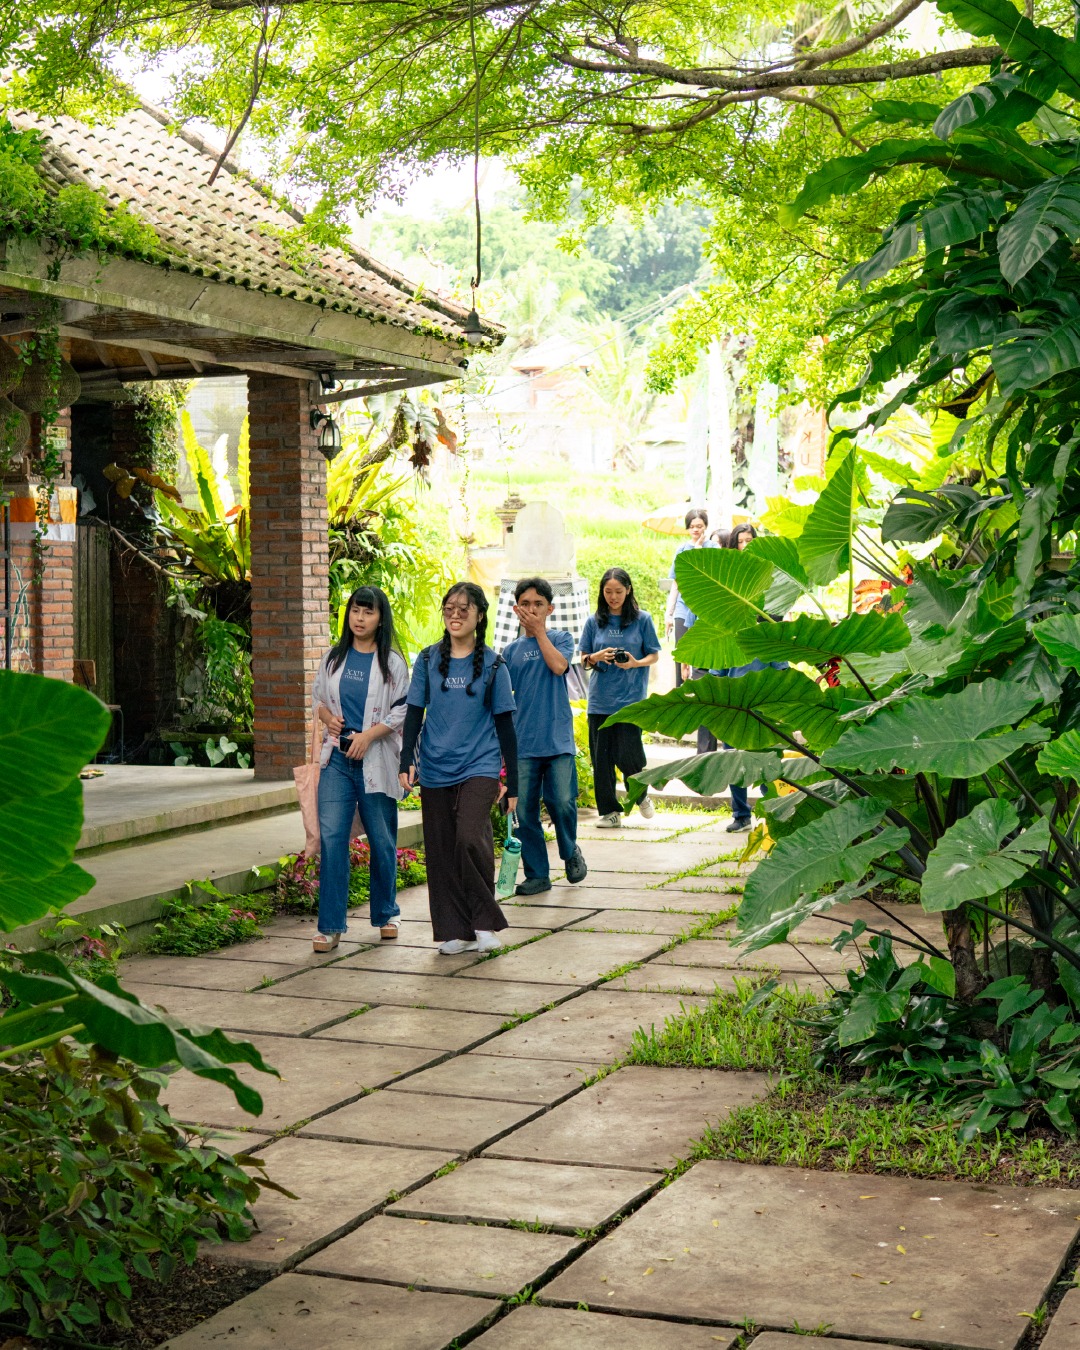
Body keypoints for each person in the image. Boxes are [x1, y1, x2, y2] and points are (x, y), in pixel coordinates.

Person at [398, 582, 518, 954]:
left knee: (469, 838)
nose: (455, 614)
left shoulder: (495, 665)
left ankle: (484, 922)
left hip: (480, 765)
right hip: (435, 765)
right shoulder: (429, 659)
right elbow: (415, 712)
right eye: (449, 607)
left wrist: (512, 781)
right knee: (441, 848)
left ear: (480, 615)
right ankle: (455, 930)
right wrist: (407, 760)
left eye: (464, 608)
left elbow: (505, 726)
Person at [311, 585, 410, 952]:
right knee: (332, 838)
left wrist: (369, 735)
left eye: (368, 612)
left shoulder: (393, 663)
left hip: (376, 762)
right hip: (337, 761)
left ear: (381, 618)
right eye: (355, 610)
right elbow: (318, 699)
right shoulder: (334, 658)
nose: (360, 618)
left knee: (382, 841)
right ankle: (330, 925)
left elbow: (403, 710)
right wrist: (328, 720)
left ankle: (386, 912)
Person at [503, 576, 588, 895]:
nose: (532, 609)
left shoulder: (561, 638)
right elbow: (501, 697)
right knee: (524, 811)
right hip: (523, 744)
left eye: (538, 604)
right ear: (516, 609)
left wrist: (539, 633)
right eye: (525, 604)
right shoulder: (510, 652)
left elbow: (558, 667)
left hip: (557, 740)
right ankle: (537, 874)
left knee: (562, 801)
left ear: (550, 608)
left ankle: (570, 852)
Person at [579, 567, 661, 828]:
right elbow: (582, 659)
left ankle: (641, 794)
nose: (613, 597)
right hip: (600, 700)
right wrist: (596, 657)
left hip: (631, 700)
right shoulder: (594, 622)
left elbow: (654, 655)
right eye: (608, 592)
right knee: (601, 759)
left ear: (628, 591)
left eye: (618, 591)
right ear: (602, 593)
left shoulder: (643, 620)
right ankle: (610, 812)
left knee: (630, 754)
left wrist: (636, 663)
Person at [665, 508, 719, 688]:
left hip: (706, 608)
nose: (696, 530)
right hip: (683, 607)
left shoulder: (713, 548)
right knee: (682, 653)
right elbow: (676, 583)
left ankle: (701, 692)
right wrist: (669, 613)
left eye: (699, 526)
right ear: (687, 528)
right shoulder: (682, 549)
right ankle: (680, 691)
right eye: (692, 526)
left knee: (702, 651)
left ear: (706, 527)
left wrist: (698, 549)